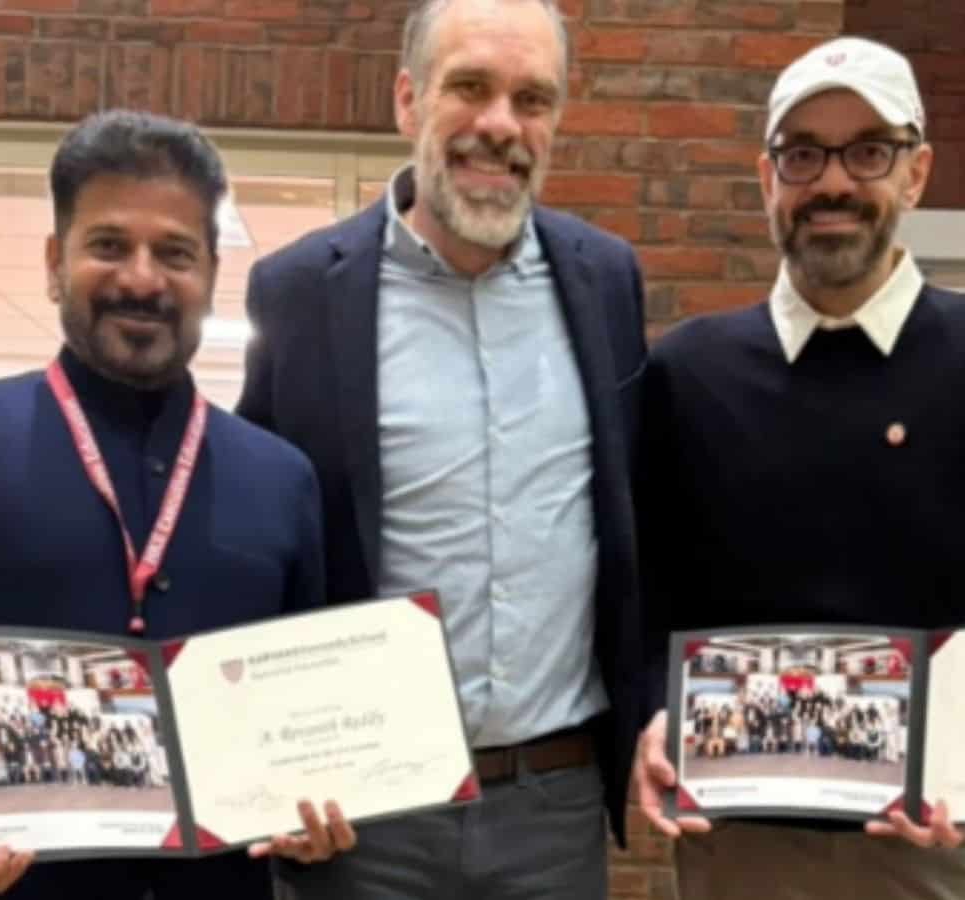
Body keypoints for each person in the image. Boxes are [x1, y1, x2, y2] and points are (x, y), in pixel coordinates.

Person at [0, 110, 355, 900]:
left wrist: (316, 808)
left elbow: (302, 701)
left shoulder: (281, 479)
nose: (141, 277)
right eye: (108, 245)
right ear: (54, 263)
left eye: (175, 252)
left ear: (210, 275)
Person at [630, 36, 965, 899]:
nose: (832, 183)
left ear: (916, 172)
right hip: (739, 844)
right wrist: (650, 711)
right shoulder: (689, 369)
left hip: (934, 843)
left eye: (868, 151)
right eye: (803, 154)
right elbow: (645, 587)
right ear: (767, 178)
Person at [235, 0, 647, 895]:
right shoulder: (301, 292)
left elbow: (630, 519)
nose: (501, 125)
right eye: (470, 87)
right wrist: (265, 769)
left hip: (555, 805)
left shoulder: (605, 279)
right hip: (364, 818)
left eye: (532, 98)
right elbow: (258, 546)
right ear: (407, 101)